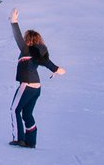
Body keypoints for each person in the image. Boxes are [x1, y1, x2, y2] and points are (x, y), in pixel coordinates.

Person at [9, 8, 65, 148]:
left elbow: (17, 37)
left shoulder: (26, 49)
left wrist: (14, 22)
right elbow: (48, 63)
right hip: (36, 88)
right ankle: (31, 141)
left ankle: (19, 139)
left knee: (14, 110)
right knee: (27, 114)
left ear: (28, 40)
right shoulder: (39, 53)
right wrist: (57, 69)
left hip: (27, 85)